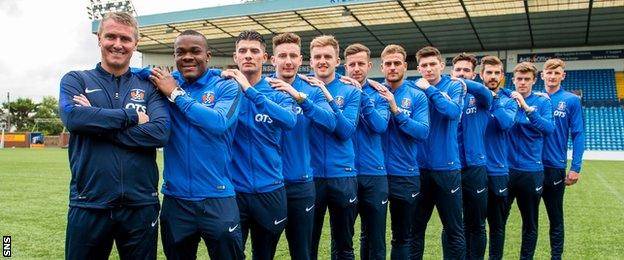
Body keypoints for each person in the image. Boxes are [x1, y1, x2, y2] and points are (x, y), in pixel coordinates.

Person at [59, 12, 170, 260]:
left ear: (135, 44)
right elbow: (74, 118)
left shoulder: (149, 88)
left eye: (125, 38)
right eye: (110, 36)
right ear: (99, 39)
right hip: (89, 203)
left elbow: (161, 133)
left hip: (141, 204)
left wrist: (97, 123)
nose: (117, 44)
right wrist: (131, 117)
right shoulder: (76, 80)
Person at [146, 30, 244, 259]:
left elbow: (219, 122)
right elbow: (135, 71)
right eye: (180, 52)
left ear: (208, 56)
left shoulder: (225, 86)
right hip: (176, 200)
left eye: (195, 51)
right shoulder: (167, 83)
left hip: (217, 199)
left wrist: (177, 95)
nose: (187, 57)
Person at [225, 30, 297, 260]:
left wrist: (250, 90)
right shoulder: (223, 89)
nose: (248, 55)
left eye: (254, 51)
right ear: (235, 56)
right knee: (232, 254)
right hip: (233, 192)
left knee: (264, 255)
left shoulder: (278, 91)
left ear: (265, 58)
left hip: (270, 190)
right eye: (243, 51)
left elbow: (289, 121)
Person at [268, 32, 336, 260]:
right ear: (272, 60)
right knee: (263, 250)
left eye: (293, 56)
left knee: (303, 252)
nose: (288, 60)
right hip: (266, 185)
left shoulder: (311, 89)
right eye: (283, 55)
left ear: (300, 59)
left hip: (301, 184)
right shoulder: (261, 88)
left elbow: (330, 122)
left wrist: (299, 97)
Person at [308, 35, 361, 260]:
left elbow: (346, 131)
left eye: (327, 56)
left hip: (343, 176)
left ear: (337, 60)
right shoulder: (299, 87)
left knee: (344, 247)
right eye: (317, 57)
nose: (322, 61)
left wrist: (328, 97)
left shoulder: (350, 90)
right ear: (310, 61)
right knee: (308, 244)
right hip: (310, 178)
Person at [411, 46, 466, 260]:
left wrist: (430, 90)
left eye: (433, 64)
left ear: (442, 65)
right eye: (424, 65)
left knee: (454, 231)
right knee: (414, 230)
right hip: (419, 170)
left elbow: (452, 112)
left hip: (447, 169)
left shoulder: (454, 86)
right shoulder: (414, 88)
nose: (428, 69)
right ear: (418, 68)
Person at [376, 44, 429, 260]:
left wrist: (396, 111)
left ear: (405, 66)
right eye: (388, 64)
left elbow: (423, 131)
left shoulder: (417, 96)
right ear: (381, 67)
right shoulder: (371, 92)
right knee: (371, 235)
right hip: (375, 174)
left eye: (397, 63)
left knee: (402, 237)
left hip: (405, 175)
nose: (392, 67)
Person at [344, 43, 390, 260]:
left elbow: (380, 126)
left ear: (370, 65)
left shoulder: (381, 93)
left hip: (374, 174)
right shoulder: (338, 90)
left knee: (375, 238)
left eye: (361, 64)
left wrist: (361, 95)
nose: (356, 68)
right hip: (346, 174)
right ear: (345, 66)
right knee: (343, 239)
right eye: (351, 64)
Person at [447, 53, 493, 259]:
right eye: (458, 70)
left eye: (466, 71)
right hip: (450, 167)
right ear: (451, 72)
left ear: (474, 75)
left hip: (475, 167)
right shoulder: (446, 93)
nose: (462, 74)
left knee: (477, 224)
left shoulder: (480, 96)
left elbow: (485, 92)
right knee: (451, 224)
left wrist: (462, 83)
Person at [507, 61, 555, 259]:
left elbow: (549, 129)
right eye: (519, 79)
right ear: (513, 80)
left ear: (534, 80)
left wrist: (527, 108)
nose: (523, 83)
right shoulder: (506, 99)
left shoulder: (543, 102)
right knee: (498, 220)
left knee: (530, 222)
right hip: (506, 170)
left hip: (531, 171)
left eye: (527, 79)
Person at [541, 58, 585, 260]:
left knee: (555, 217)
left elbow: (578, 134)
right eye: (548, 72)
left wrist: (575, 167)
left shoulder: (571, 100)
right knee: (528, 218)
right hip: (529, 167)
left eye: (556, 73)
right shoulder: (532, 97)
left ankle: (555, 257)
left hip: (554, 167)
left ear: (562, 76)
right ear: (542, 75)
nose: (552, 76)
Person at [479, 56, 518, 260]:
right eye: (489, 72)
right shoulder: (472, 96)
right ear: (481, 75)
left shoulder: (510, 100)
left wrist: (493, 99)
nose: (493, 77)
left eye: (497, 73)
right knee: (474, 225)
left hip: (498, 171)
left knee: (497, 226)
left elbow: (505, 124)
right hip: (474, 170)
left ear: (502, 76)